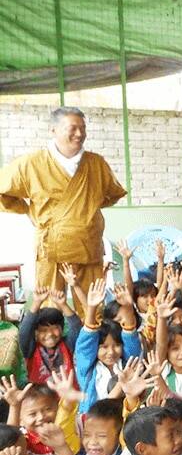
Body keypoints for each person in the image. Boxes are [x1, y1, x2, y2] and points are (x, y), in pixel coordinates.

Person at [0, 107, 126, 316]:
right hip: (51, 247)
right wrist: (28, 210)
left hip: (88, 243)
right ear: (54, 130)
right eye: (73, 128)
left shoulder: (96, 163)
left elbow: (113, 193)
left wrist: (84, 208)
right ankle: (51, 339)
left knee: (92, 306)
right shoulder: (31, 163)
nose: (79, 134)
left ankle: (92, 337)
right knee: (50, 307)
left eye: (83, 128)